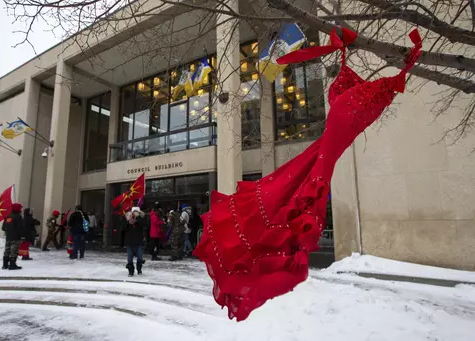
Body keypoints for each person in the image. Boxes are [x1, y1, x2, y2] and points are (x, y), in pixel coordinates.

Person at [193, 27, 423, 321]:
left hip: (334, 138)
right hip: (331, 135)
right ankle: (257, 242)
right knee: (292, 184)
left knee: (296, 185)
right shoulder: (371, 86)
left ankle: (263, 246)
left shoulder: (388, 87)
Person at [123, 207, 146, 276]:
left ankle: (139, 269)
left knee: (139, 257)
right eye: (134, 212)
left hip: (139, 242)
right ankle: (131, 271)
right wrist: (127, 220)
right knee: (129, 258)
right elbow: (123, 228)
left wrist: (138, 217)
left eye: (136, 212)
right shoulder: (128, 218)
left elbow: (145, 225)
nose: (134, 213)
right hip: (130, 242)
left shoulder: (141, 218)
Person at [2, 203, 24, 270]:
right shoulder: (18, 217)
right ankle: (12, 265)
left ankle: (5, 265)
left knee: (7, 250)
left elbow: (3, 228)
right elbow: (21, 228)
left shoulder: (8, 216)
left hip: (8, 237)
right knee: (14, 251)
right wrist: (22, 236)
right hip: (16, 237)